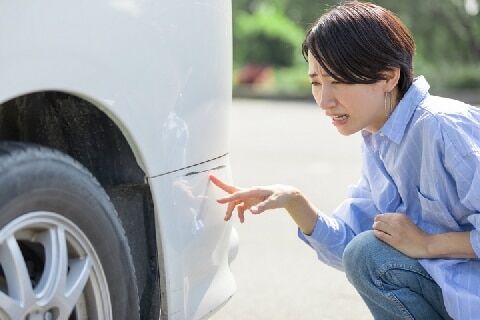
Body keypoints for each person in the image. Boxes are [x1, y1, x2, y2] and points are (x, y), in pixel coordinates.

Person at [210, 1, 480, 319]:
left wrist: (428, 245)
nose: (325, 100)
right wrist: (295, 202)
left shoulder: (442, 126)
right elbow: (352, 249)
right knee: (367, 253)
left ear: (389, 77)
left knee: (369, 254)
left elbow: (375, 254)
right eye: (315, 82)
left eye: (338, 80)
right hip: (453, 297)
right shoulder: (379, 138)